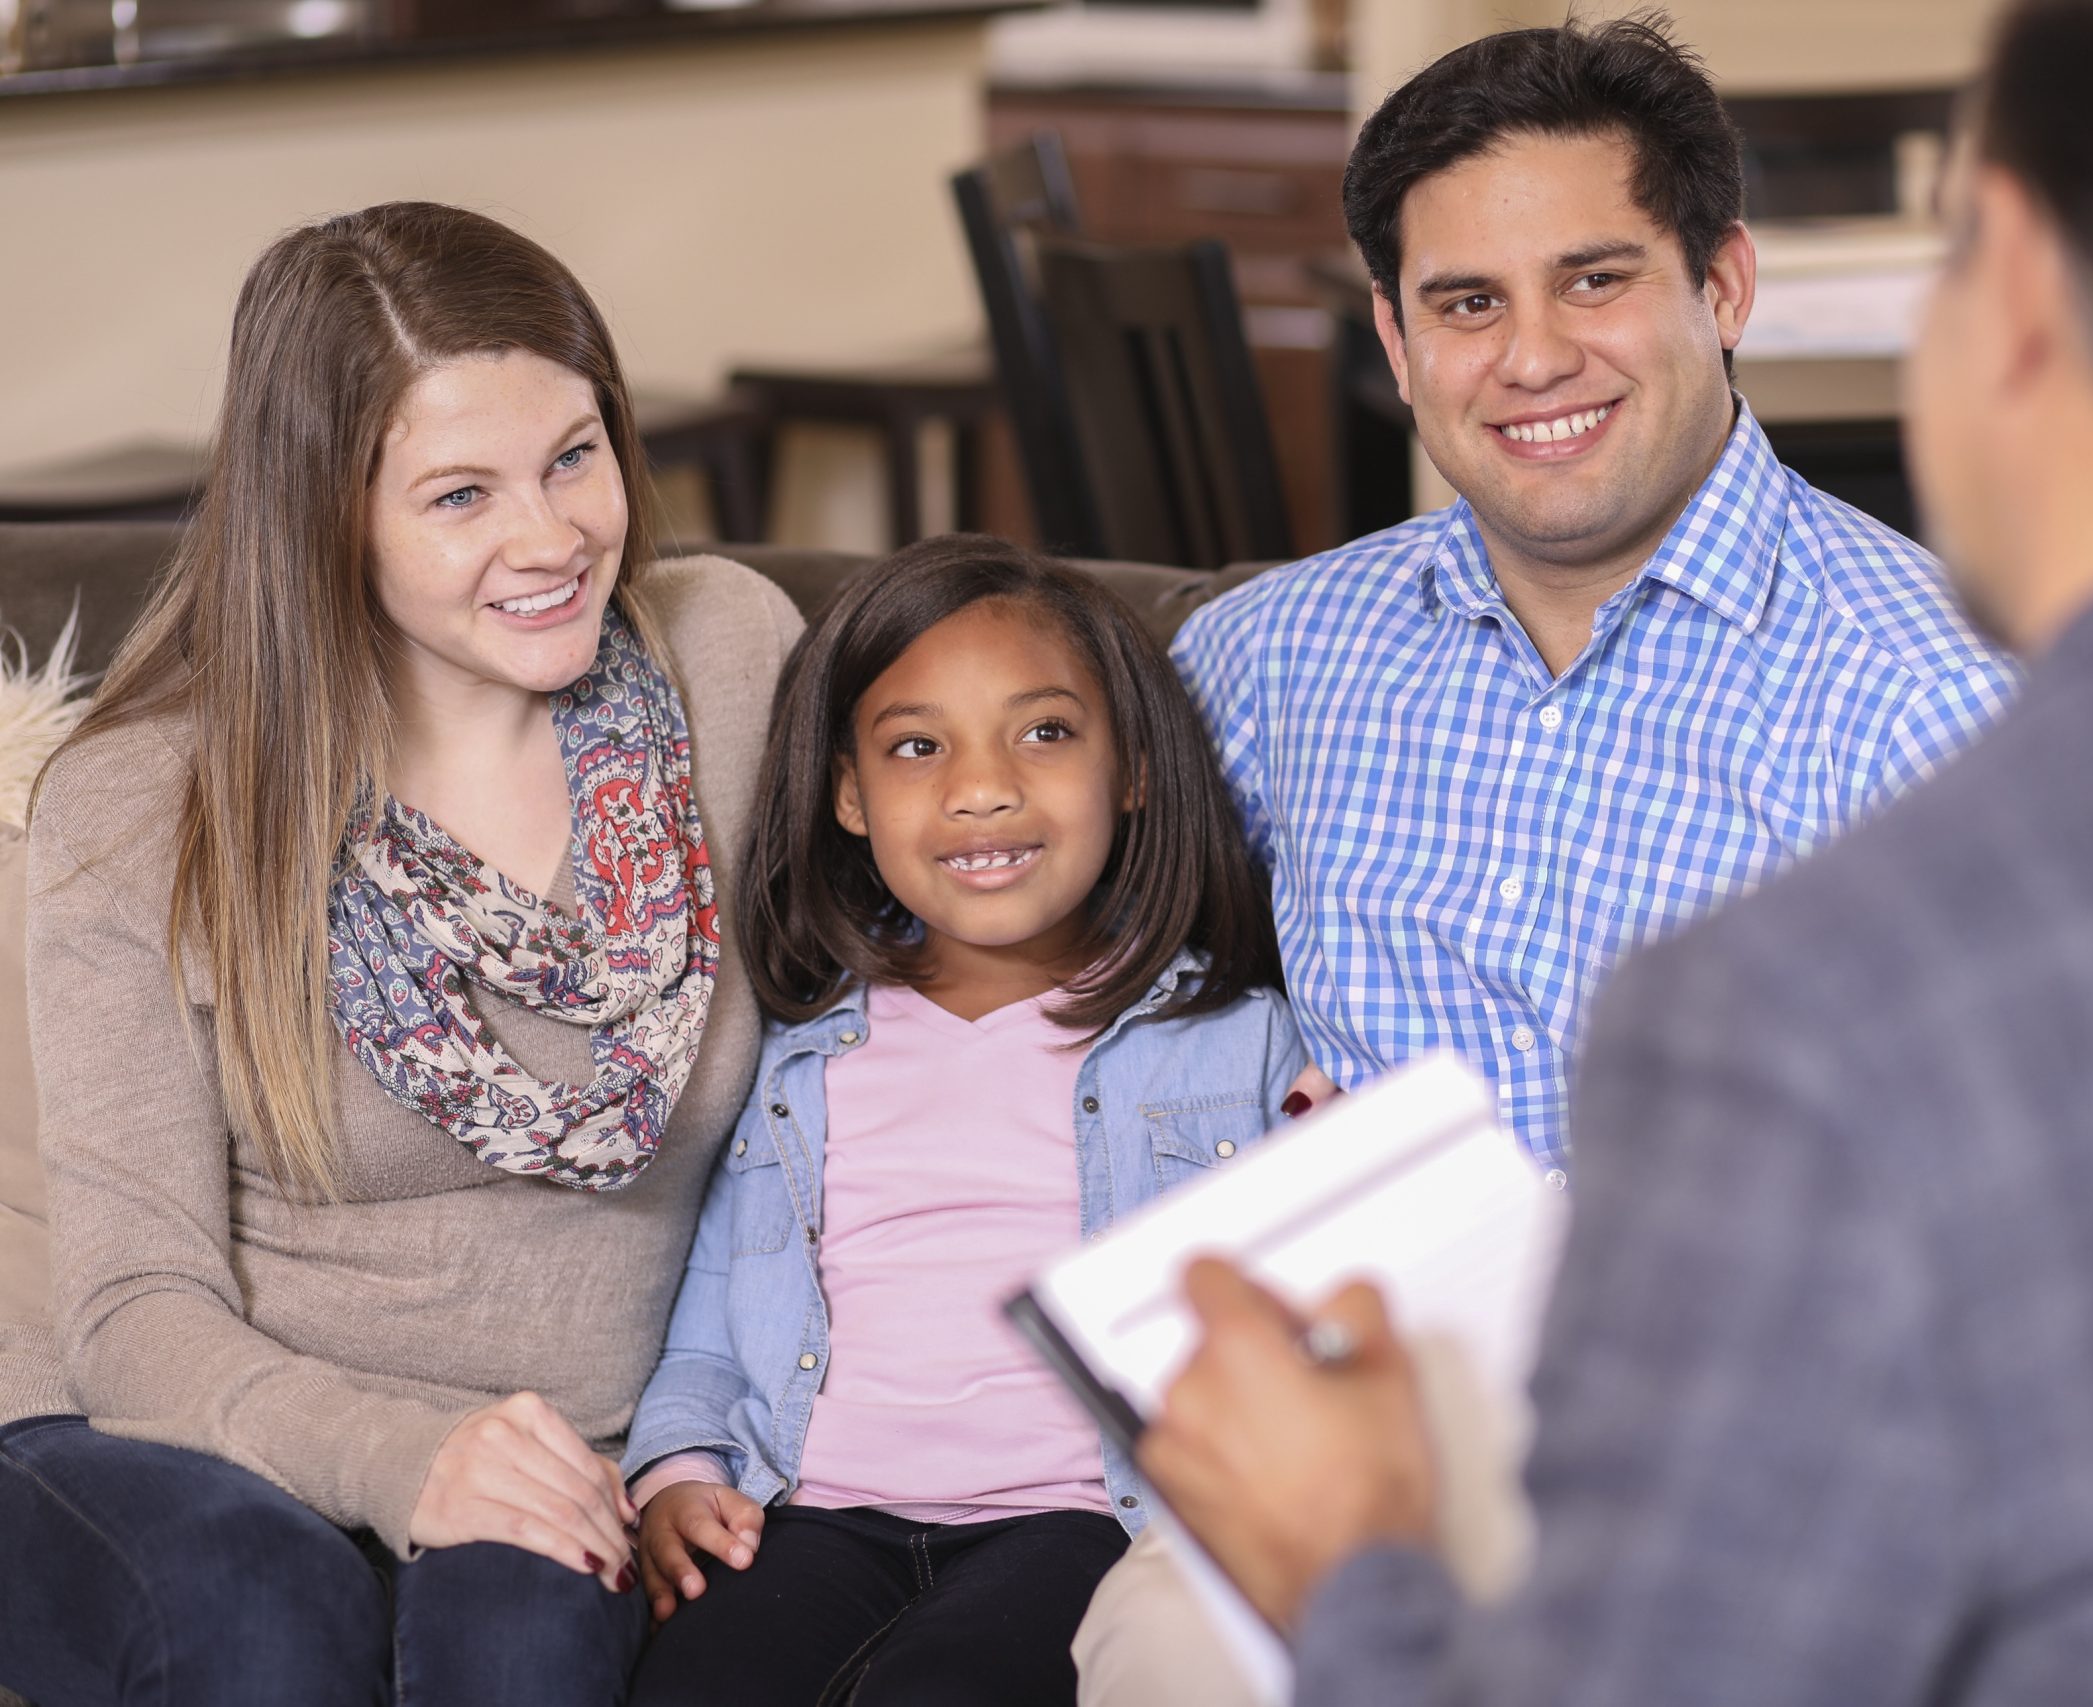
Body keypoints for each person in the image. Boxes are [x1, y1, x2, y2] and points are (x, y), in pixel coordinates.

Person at [1135, 1, 2093, 1703]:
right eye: (1467, 302)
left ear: (2010, 278)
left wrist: (1343, 1559)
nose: (1532, 352)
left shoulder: (1816, 990)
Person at [1079, 22, 2015, 1692]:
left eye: (1594, 280)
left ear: (1722, 284)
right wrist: (1235, 1116)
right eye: (1465, 303)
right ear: (1394, 339)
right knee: (1160, 1651)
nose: (1530, 357)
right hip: (1347, 1421)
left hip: (1737, 1457)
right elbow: (1063, 991)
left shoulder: (1925, 699)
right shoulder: (1268, 660)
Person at [0, 202, 803, 1705]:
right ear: (325, 516)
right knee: (263, 1616)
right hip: (165, 1423)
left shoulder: (727, 660)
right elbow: (133, 1309)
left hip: (562, 1442)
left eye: (574, 455)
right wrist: (404, 1456)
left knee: (523, 1650)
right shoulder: (147, 798)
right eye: (459, 494)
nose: (551, 538)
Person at [616, 536, 1305, 1707]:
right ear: (848, 794)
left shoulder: (1238, 1041)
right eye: (916, 747)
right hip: (812, 1511)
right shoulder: (795, 1057)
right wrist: (676, 1472)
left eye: (1044, 732)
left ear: (1132, 770)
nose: (980, 788)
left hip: (1080, 1522)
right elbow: (709, 1327)